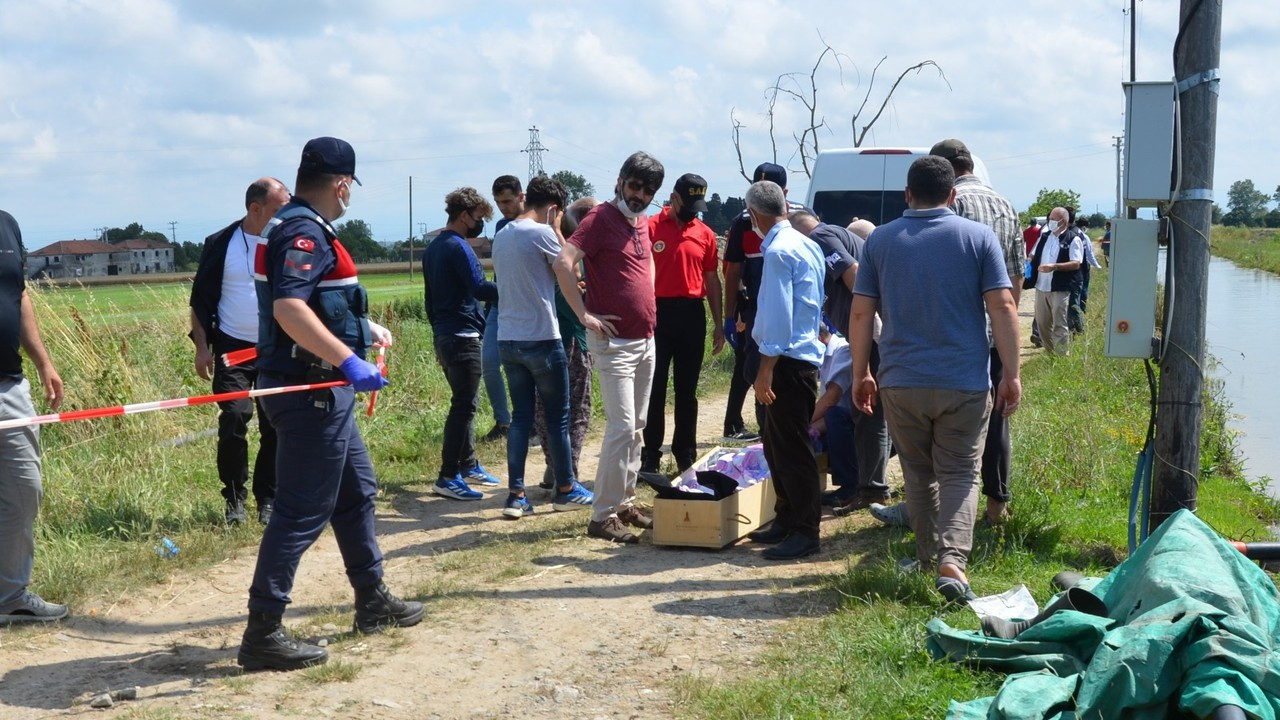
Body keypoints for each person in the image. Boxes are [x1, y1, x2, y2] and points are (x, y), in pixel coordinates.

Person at [239, 136, 421, 671]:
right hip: (313, 391)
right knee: (300, 511)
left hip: (323, 390)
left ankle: (372, 599)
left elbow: (316, 305)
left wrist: (360, 329)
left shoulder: (293, 224)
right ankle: (263, 631)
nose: (349, 198)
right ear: (342, 184)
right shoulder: (303, 232)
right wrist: (347, 359)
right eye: (350, 189)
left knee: (356, 492)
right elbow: (290, 309)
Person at [850, 155, 1022, 605]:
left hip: (900, 381)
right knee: (961, 472)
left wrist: (861, 372)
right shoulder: (977, 237)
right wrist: (1012, 374)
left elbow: (861, 312)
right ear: (952, 196)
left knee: (918, 472)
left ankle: (928, 559)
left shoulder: (880, 242)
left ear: (908, 194)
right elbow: (1003, 307)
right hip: (963, 380)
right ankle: (953, 562)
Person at [554, 151, 664, 544]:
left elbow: (646, 261)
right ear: (620, 181)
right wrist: (584, 314)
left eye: (648, 191)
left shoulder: (643, 221)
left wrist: (645, 296)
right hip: (614, 343)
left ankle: (625, 502)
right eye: (634, 186)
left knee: (637, 427)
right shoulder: (600, 218)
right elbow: (564, 262)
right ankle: (602, 515)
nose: (639, 196)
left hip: (645, 338)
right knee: (621, 427)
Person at [931, 139, 1023, 526]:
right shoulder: (1006, 206)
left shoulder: (952, 203)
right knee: (998, 416)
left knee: (948, 424)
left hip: (958, 333)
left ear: (946, 171)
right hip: (997, 332)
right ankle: (996, 506)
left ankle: (941, 508)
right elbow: (1016, 277)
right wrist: (1007, 327)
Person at [491, 174, 594, 519]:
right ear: (553, 210)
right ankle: (565, 487)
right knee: (558, 417)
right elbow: (570, 268)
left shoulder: (503, 234)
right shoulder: (543, 233)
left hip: (508, 338)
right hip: (543, 338)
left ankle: (516, 494)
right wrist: (559, 231)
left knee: (520, 419)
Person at [189, 177, 290, 526]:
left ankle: (269, 499)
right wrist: (202, 348)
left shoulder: (286, 242)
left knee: (275, 424)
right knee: (234, 416)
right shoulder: (220, 244)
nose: (286, 216)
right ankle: (234, 500)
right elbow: (199, 302)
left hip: (274, 349)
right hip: (232, 351)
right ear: (255, 209)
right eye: (279, 209)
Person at [741, 180, 826, 561]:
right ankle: (787, 517)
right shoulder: (807, 244)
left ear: (755, 215)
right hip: (802, 357)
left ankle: (806, 529)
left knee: (791, 449)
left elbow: (778, 316)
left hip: (787, 362)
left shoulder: (777, 252)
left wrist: (765, 370)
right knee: (777, 445)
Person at [787, 211, 891, 512]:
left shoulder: (818, 237)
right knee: (873, 413)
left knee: (864, 410)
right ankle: (872, 487)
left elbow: (855, 275)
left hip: (868, 336)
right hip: (872, 334)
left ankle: (868, 489)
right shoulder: (837, 235)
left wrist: (870, 334)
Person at [0, 210, 66, 626]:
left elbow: (18, 293)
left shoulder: (7, 224)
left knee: (26, 489)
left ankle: (10, 595)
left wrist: (43, 362)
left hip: (9, 384)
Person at [423, 186, 504, 500]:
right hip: (463, 337)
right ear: (464, 215)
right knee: (464, 407)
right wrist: (514, 286)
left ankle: (468, 464)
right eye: (479, 217)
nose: (480, 223)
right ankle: (448, 476)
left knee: (463, 402)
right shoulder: (459, 248)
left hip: (445, 336)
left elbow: (429, 300)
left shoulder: (434, 247)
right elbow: (480, 289)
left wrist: (437, 335)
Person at [640, 173, 724, 475]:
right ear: (673, 198)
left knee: (686, 392)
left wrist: (719, 323)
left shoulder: (705, 233)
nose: (693, 210)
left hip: (691, 314)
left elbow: (712, 280)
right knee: (655, 389)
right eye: (688, 203)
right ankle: (650, 455)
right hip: (658, 314)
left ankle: (685, 453)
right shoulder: (649, 227)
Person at [721, 163, 805, 443]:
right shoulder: (742, 224)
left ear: (785, 194)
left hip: (795, 312)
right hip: (755, 310)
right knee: (757, 368)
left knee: (787, 372)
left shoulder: (801, 222)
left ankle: (783, 434)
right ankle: (765, 432)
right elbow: (733, 271)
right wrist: (730, 315)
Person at [532, 197, 598, 491]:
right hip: (564, 336)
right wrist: (557, 232)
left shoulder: (548, 244)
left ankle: (556, 466)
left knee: (553, 407)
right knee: (573, 409)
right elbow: (570, 270)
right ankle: (564, 471)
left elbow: (572, 271)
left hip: (554, 335)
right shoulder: (558, 244)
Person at [479, 175, 524, 442]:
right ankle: (503, 422)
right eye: (498, 202)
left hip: (525, 305)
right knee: (489, 362)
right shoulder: (500, 225)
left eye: (507, 201)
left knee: (524, 367)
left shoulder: (536, 222)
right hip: (498, 304)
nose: (503, 207)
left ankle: (527, 420)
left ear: (521, 196)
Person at [1024, 206, 1083, 355]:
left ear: (1063, 221)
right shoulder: (1044, 237)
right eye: (1050, 219)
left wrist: (1055, 267)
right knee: (1042, 324)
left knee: (1059, 323)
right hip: (1041, 287)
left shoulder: (1073, 239)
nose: (1050, 222)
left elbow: (1076, 263)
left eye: (1053, 219)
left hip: (1059, 288)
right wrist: (1028, 264)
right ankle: (1051, 354)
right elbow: (1032, 255)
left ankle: (1062, 356)